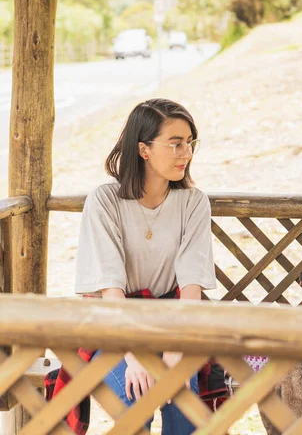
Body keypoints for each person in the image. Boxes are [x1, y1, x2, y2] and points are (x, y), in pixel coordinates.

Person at [75, 98, 217, 434]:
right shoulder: (104, 200)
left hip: (173, 324)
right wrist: (135, 359)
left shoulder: (193, 202)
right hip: (112, 326)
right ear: (144, 150)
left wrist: (174, 353)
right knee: (135, 394)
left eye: (190, 143)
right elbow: (110, 288)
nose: (186, 153)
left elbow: (191, 285)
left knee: (182, 393)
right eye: (175, 144)